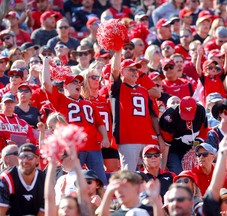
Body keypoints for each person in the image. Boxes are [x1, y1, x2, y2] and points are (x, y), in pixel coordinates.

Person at [42, 56, 109, 184]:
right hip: (73, 147)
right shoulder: (61, 100)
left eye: (79, 82)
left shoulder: (89, 104)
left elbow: (99, 123)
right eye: (74, 82)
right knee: (72, 180)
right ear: (65, 86)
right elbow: (46, 83)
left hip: (93, 146)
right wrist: (45, 62)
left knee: (101, 181)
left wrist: (105, 138)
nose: (78, 84)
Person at [110, 51, 164, 171]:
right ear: (122, 71)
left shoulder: (144, 90)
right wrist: (118, 50)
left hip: (148, 137)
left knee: (155, 172)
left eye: (136, 70)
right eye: (131, 69)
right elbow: (114, 70)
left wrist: (159, 135)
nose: (135, 72)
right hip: (128, 138)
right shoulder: (118, 88)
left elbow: (153, 115)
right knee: (129, 174)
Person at [159, 96, 208, 174]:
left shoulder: (201, 111)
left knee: (197, 171)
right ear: (179, 109)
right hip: (173, 148)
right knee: (177, 171)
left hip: (190, 147)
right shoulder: (169, 116)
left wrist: (195, 148)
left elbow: (203, 132)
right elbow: (166, 145)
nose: (188, 119)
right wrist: (162, 169)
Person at [0, 143, 45, 216]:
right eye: (22, 157)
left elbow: (44, 213)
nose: (25, 161)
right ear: (18, 159)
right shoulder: (7, 178)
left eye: (30, 157)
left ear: (37, 160)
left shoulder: (44, 179)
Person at [96, 170, 163, 216]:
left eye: (124, 187)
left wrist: (155, 199)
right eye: (116, 188)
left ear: (137, 187)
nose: (119, 191)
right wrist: (108, 193)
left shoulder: (151, 210)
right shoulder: (115, 214)